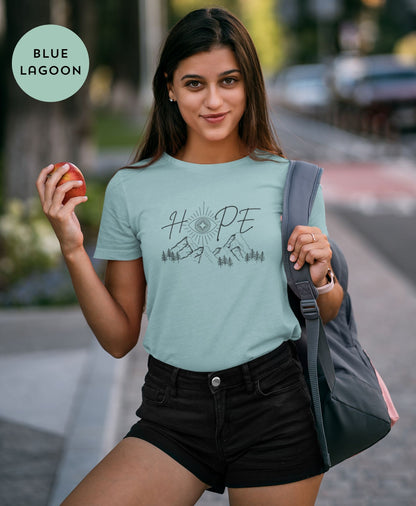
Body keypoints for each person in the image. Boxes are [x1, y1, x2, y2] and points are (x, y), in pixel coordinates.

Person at [36, 7, 344, 506]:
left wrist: (323, 277)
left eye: (229, 81)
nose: (214, 100)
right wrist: (73, 249)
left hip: (276, 405)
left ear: (250, 85)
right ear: (170, 88)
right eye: (195, 84)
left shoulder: (293, 181)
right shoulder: (131, 189)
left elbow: (325, 310)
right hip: (173, 409)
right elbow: (118, 339)